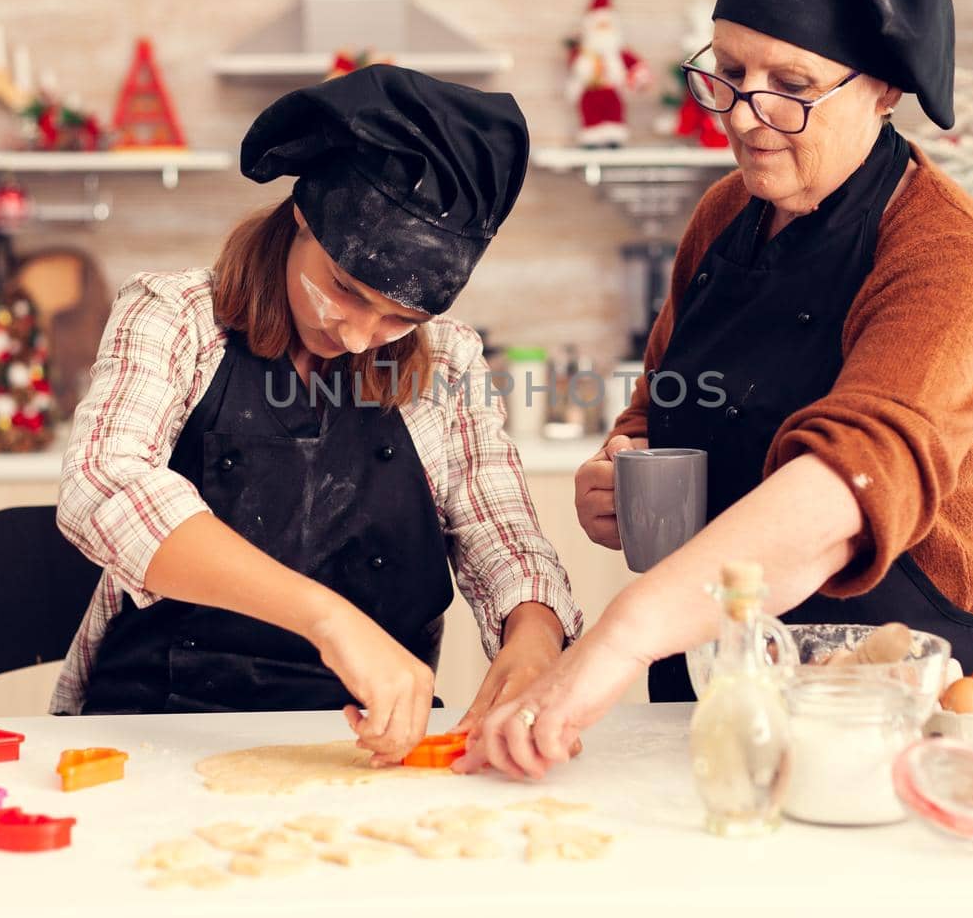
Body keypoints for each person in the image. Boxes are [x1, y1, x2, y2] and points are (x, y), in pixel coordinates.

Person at [461, 0, 973, 779]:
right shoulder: (723, 216)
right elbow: (662, 399)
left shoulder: (943, 254)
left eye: (792, 84)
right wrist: (619, 466)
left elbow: (847, 494)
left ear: (881, 88)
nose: (748, 116)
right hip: (718, 690)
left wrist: (616, 637)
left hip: (894, 708)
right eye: (727, 72)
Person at [53, 66, 582, 765]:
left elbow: (503, 533)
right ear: (302, 214)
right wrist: (329, 620)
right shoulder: (175, 316)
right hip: (157, 726)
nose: (362, 335)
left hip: (362, 743)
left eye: (402, 317)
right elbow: (102, 483)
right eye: (345, 289)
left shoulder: (447, 365)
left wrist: (533, 638)